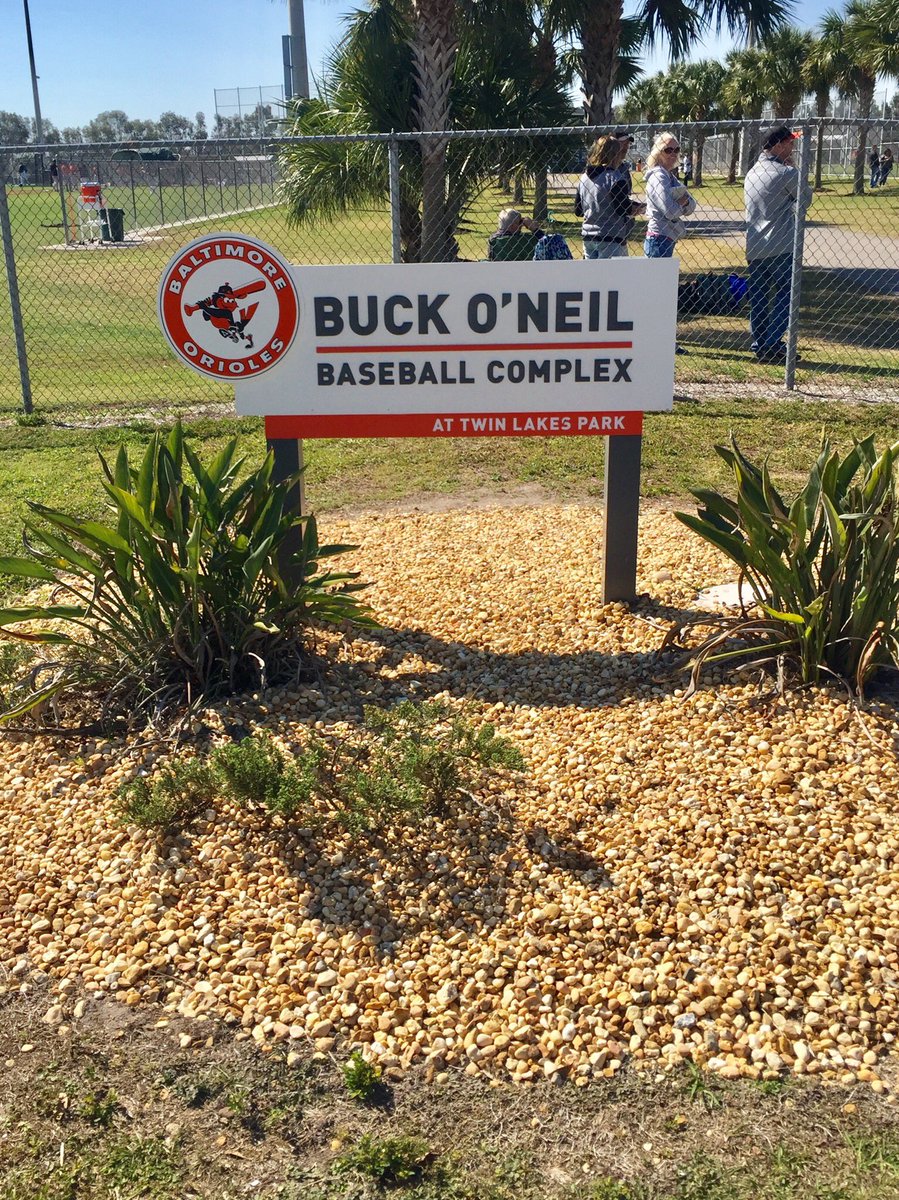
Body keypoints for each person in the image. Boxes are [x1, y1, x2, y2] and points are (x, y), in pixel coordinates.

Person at [743, 125, 812, 363]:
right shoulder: (786, 173)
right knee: (786, 293)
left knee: (760, 297)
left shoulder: (751, 172)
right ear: (779, 145)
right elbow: (806, 198)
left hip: (755, 244)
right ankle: (772, 343)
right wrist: (794, 171)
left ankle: (760, 342)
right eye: (790, 143)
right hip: (780, 244)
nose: (792, 148)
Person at [575, 135, 644, 259]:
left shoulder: (584, 178)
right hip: (611, 237)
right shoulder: (615, 178)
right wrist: (636, 208)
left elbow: (578, 210)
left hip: (588, 236)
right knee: (613, 276)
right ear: (616, 155)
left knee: (592, 276)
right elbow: (622, 209)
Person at [644, 132, 697, 260]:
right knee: (657, 279)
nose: (673, 153)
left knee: (663, 279)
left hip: (666, 237)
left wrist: (683, 203)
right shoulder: (658, 177)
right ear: (658, 153)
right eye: (668, 150)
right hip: (658, 239)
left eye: (677, 150)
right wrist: (682, 203)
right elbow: (670, 211)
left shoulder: (669, 176)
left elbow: (692, 204)